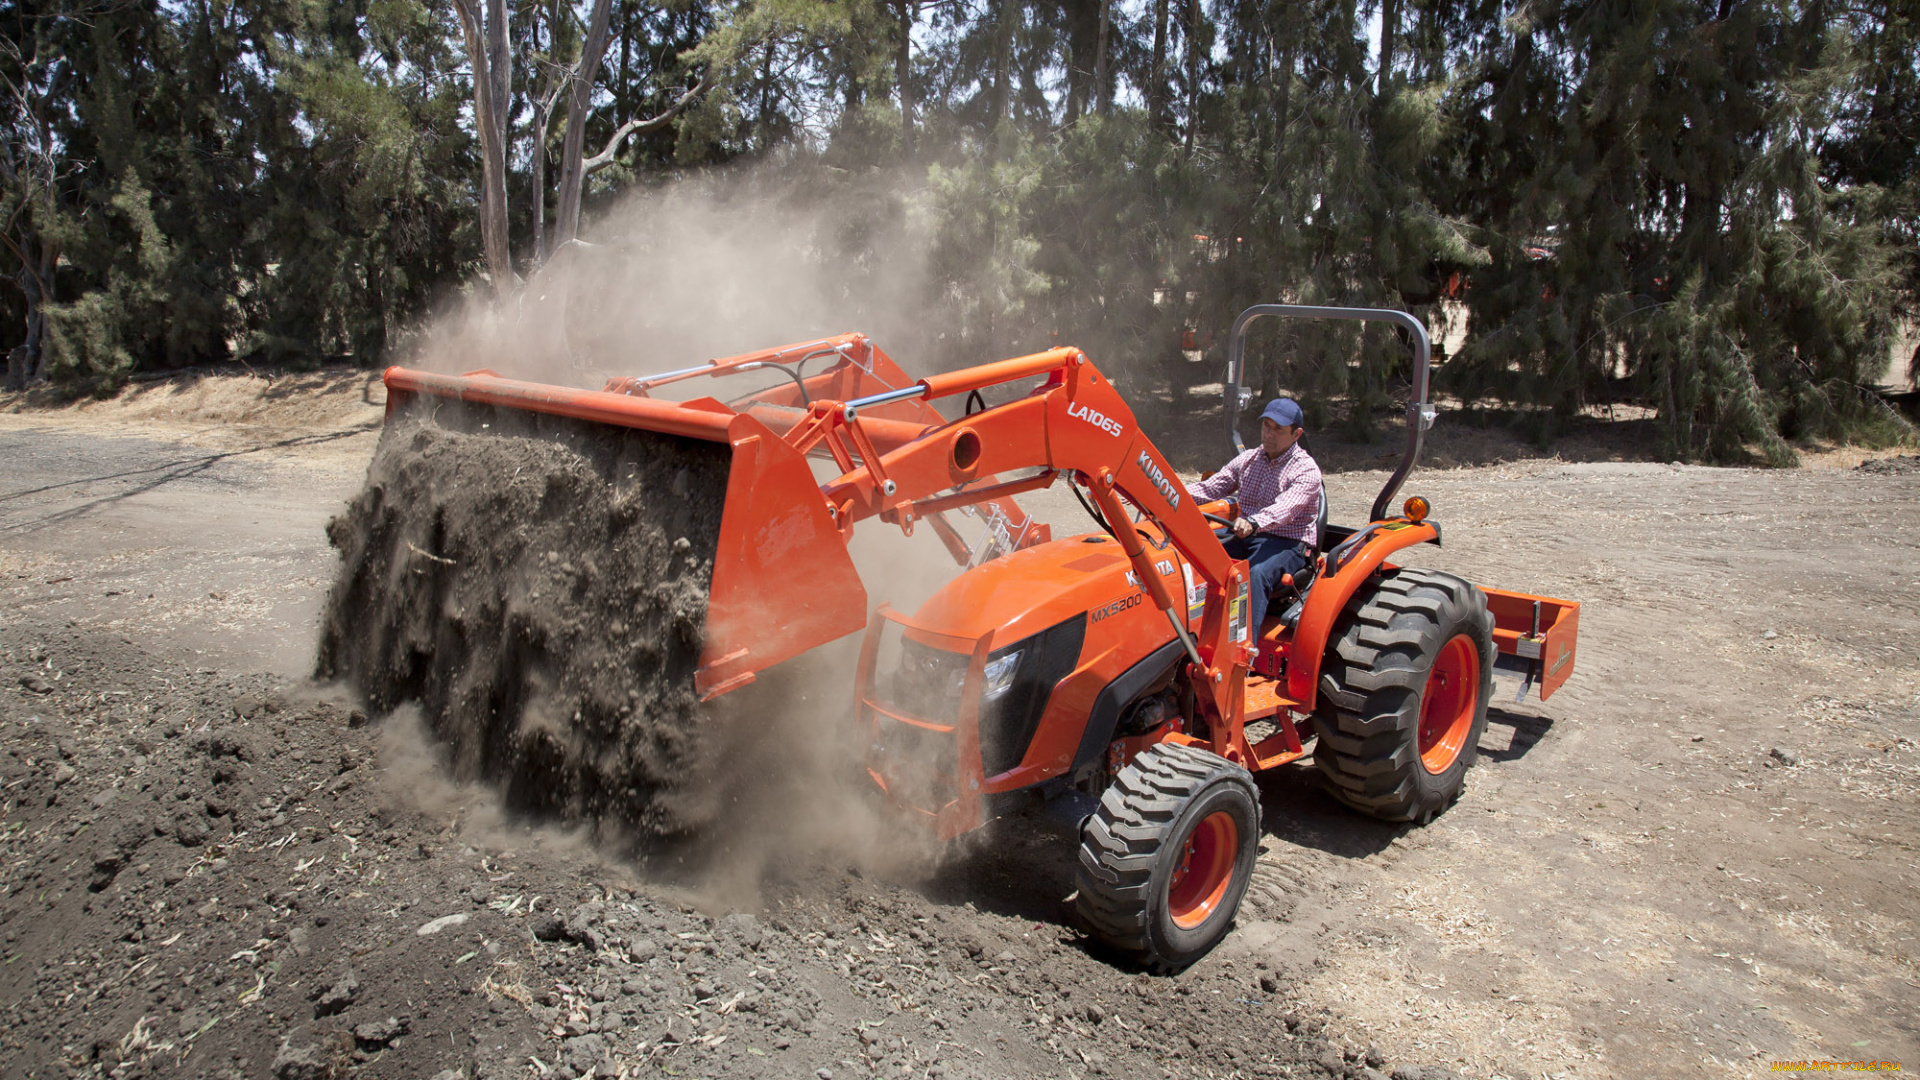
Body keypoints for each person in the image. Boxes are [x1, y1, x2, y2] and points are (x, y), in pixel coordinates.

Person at [1185, 398, 1324, 633]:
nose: (1269, 434)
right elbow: (1211, 488)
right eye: (1266, 426)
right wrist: (1163, 492)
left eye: (1278, 429)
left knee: (1255, 575)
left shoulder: (1306, 470)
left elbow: (1286, 508)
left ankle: (1242, 655)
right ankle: (1194, 631)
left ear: (1296, 433)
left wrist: (1254, 521)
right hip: (1244, 534)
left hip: (1286, 541)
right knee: (1193, 558)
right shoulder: (1249, 459)